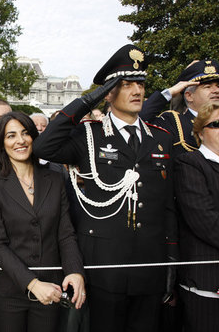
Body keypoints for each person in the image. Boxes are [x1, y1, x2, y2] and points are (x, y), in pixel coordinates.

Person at [34, 44, 178, 332]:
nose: (137, 90)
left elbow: (168, 206)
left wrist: (171, 261)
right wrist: (87, 101)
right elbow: (44, 146)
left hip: (150, 266)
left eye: (140, 83)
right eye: (126, 85)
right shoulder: (90, 135)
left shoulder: (161, 139)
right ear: (109, 92)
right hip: (104, 268)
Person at [0, 111, 85, 332]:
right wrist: (33, 284)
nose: (20, 140)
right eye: (11, 136)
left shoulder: (55, 179)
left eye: (25, 133)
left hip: (52, 289)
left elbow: (65, 233)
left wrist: (75, 271)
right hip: (9, 292)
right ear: (1, 143)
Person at [174, 99, 219, 332]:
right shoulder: (191, 164)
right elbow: (205, 221)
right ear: (200, 133)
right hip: (212, 286)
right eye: (217, 124)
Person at [140, 59, 219, 157]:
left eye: (218, 86)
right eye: (207, 87)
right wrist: (169, 93)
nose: (216, 90)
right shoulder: (174, 122)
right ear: (189, 96)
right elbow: (138, 119)